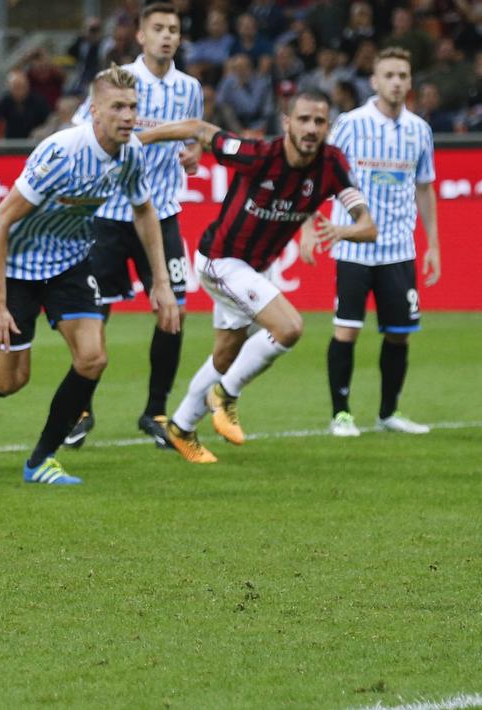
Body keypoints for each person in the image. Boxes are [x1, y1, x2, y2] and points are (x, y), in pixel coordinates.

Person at [0, 65, 180, 485]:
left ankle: (41, 460)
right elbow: (0, 222)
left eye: (133, 107)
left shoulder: (131, 153)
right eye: (118, 107)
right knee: (10, 380)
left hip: (70, 263)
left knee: (93, 358)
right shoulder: (62, 153)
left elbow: (145, 210)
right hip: (17, 268)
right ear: (95, 111)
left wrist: (161, 284)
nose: (128, 116)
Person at [136, 90, 374, 463]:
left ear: (328, 126)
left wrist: (338, 230)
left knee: (225, 353)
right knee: (289, 328)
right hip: (220, 260)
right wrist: (140, 139)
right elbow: (199, 128)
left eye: (319, 121)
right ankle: (225, 395)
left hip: (252, 268)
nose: (311, 128)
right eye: (304, 120)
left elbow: (367, 225)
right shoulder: (259, 155)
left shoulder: (332, 163)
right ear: (287, 123)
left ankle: (181, 427)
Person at [63, 2, 203, 450]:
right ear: (140, 36)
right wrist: (160, 135)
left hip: (160, 214)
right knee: (92, 312)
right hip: (107, 215)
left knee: (173, 312)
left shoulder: (190, 88)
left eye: (173, 29)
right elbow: (89, 135)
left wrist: (194, 154)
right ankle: (81, 409)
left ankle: (156, 411)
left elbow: (193, 140)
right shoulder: (117, 83)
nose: (166, 35)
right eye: (158, 28)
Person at [325, 47, 440, 437]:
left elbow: (424, 188)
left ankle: (388, 412)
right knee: (348, 329)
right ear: (374, 81)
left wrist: (433, 245)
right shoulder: (350, 124)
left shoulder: (419, 130)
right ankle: (340, 414)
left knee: (399, 332)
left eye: (402, 75)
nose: (396, 82)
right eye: (388, 75)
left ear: (410, 82)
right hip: (354, 247)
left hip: (399, 249)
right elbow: (323, 171)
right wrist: (310, 224)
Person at [0, 70, 52, 139]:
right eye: (16, 87)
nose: (20, 91)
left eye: (23, 87)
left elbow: (49, 120)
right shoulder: (5, 101)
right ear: (10, 88)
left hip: (34, 140)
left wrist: (42, 131)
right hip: (12, 142)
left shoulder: (38, 100)